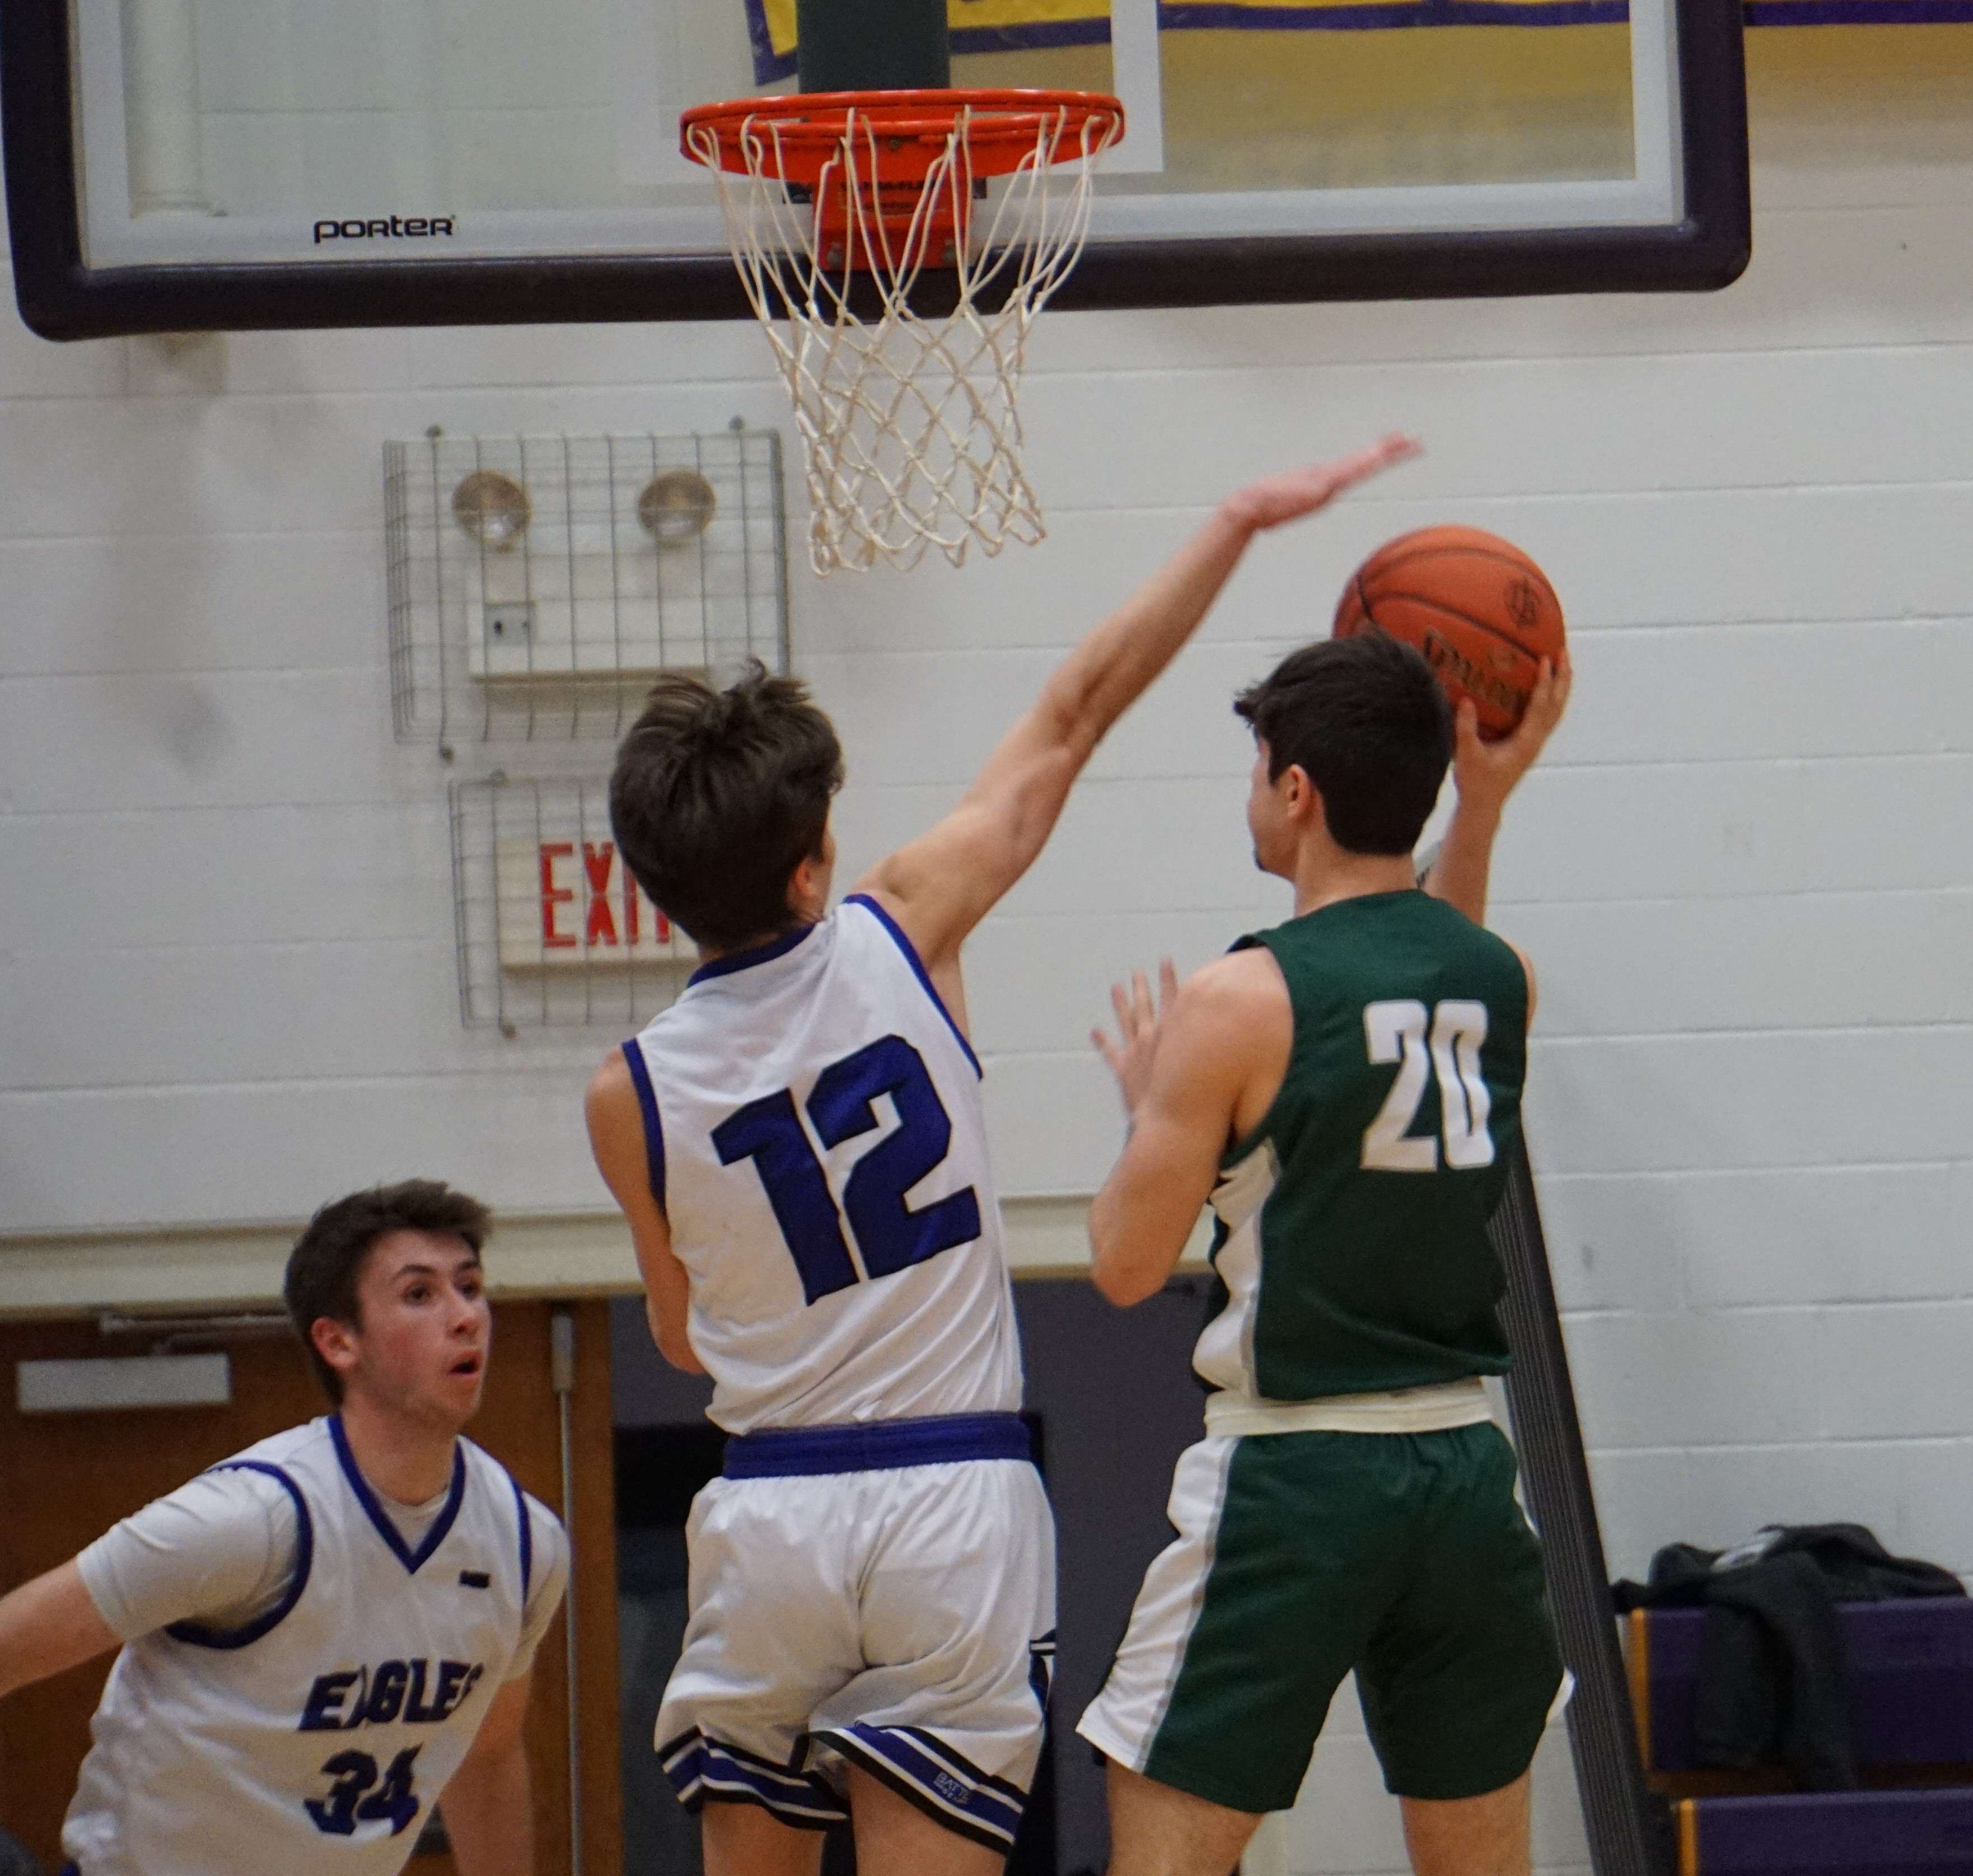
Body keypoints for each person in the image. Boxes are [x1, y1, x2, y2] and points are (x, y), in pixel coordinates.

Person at [582, 436, 1418, 1876]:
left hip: (770, 1506)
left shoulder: (626, 1093)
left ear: (650, 884)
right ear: (808, 862)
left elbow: (674, 1324)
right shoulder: (904, 922)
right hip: (951, 1503)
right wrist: (1227, 516)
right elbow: (1074, 708)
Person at [1076, 628, 1572, 1876]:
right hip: (1464, 1470)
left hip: (1297, 1477)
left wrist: (1149, 1113)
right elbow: (1419, 958)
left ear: (1293, 788)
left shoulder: (1238, 1000)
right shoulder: (1497, 980)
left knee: (1158, 1830)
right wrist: (1487, 804)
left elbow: (1124, 1266)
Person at [0, 1181, 570, 1876]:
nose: (465, 1317)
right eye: (420, 1295)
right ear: (338, 1342)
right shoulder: (247, 1522)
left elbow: (485, 1757)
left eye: (471, 1287)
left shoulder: (523, 1542)